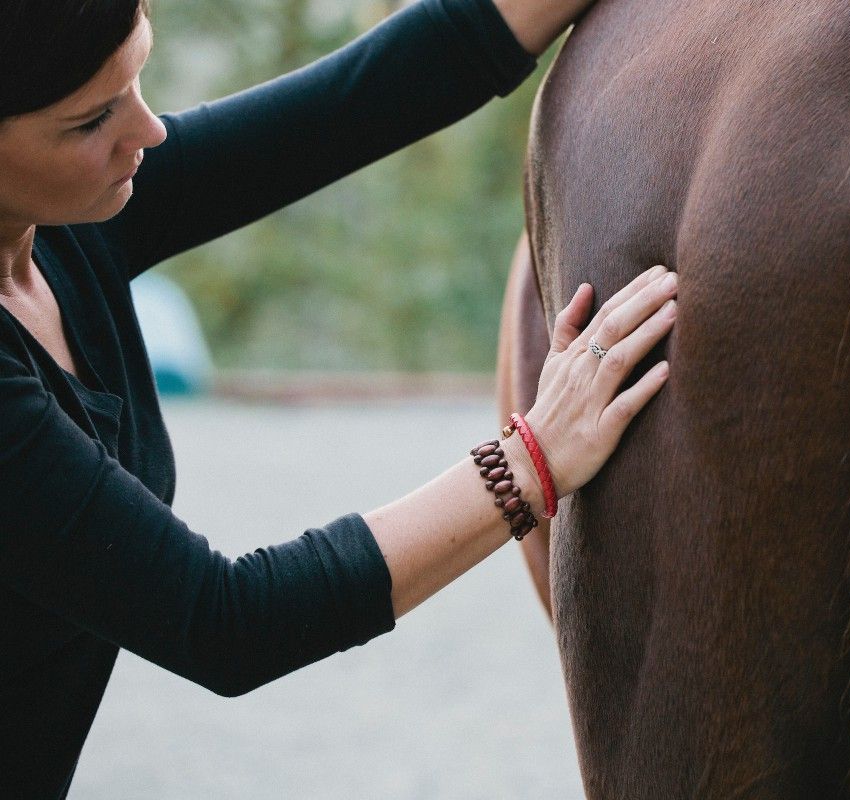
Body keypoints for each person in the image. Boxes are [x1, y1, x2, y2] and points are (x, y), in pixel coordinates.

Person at [0, 0, 679, 796]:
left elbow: (351, 105)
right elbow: (226, 622)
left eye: (139, 77)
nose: (149, 132)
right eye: (90, 122)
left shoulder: (59, 224)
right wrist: (531, 460)